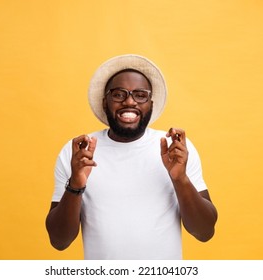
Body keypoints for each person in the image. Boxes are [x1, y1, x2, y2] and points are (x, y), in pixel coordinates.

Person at [45, 54, 218, 260]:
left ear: (150, 104)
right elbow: (59, 241)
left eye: (140, 95)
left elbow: (204, 232)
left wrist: (180, 179)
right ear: (104, 102)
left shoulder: (176, 150)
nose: (129, 101)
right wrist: (75, 184)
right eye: (118, 94)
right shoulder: (79, 152)